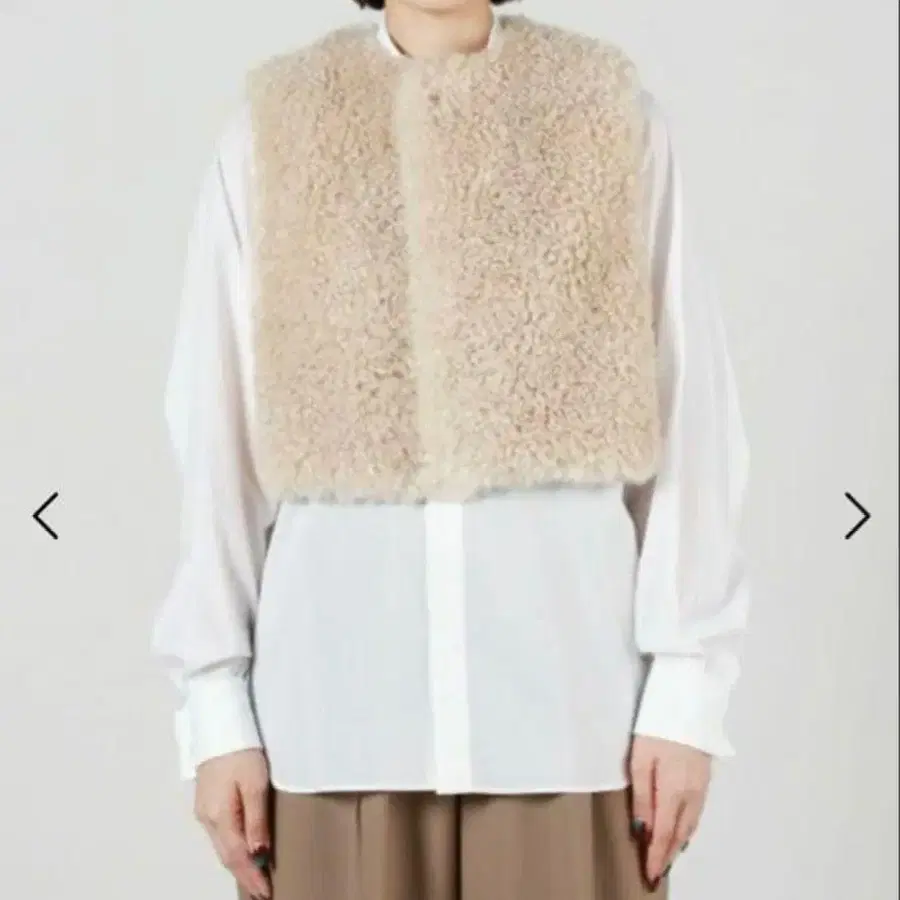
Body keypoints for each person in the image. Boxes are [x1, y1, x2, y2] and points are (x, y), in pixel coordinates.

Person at [152, 1, 751, 898]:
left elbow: (691, 411)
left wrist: (685, 693)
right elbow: (216, 437)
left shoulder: (607, 112)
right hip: (334, 724)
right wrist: (214, 708)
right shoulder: (273, 125)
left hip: (573, 720)